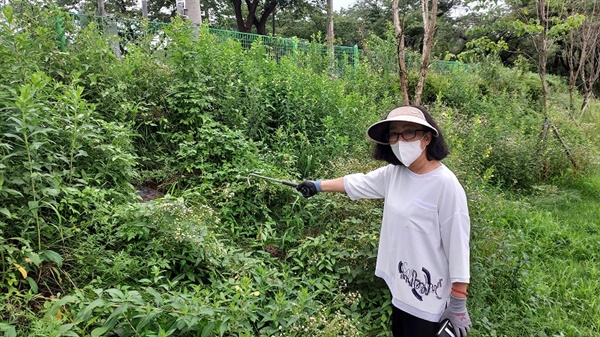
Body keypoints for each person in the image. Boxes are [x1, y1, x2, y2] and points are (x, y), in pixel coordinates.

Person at [296, 106, 472, 337]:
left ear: (427, 138)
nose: (400, 140)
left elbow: (458, 244)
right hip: (401, 288)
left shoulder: (446, 185)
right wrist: (318, 185)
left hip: (429, 297)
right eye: (394, 134)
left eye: (409, 132)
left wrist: (458, 301)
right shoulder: (395, 174)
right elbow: (358, 183)